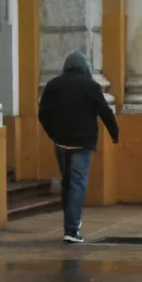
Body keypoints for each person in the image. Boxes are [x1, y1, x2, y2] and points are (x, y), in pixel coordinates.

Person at [38, 51, 119, 243]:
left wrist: (53, 134)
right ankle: (72, 229)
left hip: (60, 143)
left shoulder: (53, 85)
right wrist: (114, 133)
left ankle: (71, 223)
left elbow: (43, 114)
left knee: (67, 182)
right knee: (77, 183)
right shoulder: (91, 86)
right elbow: (105, 112)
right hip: (82, 144)